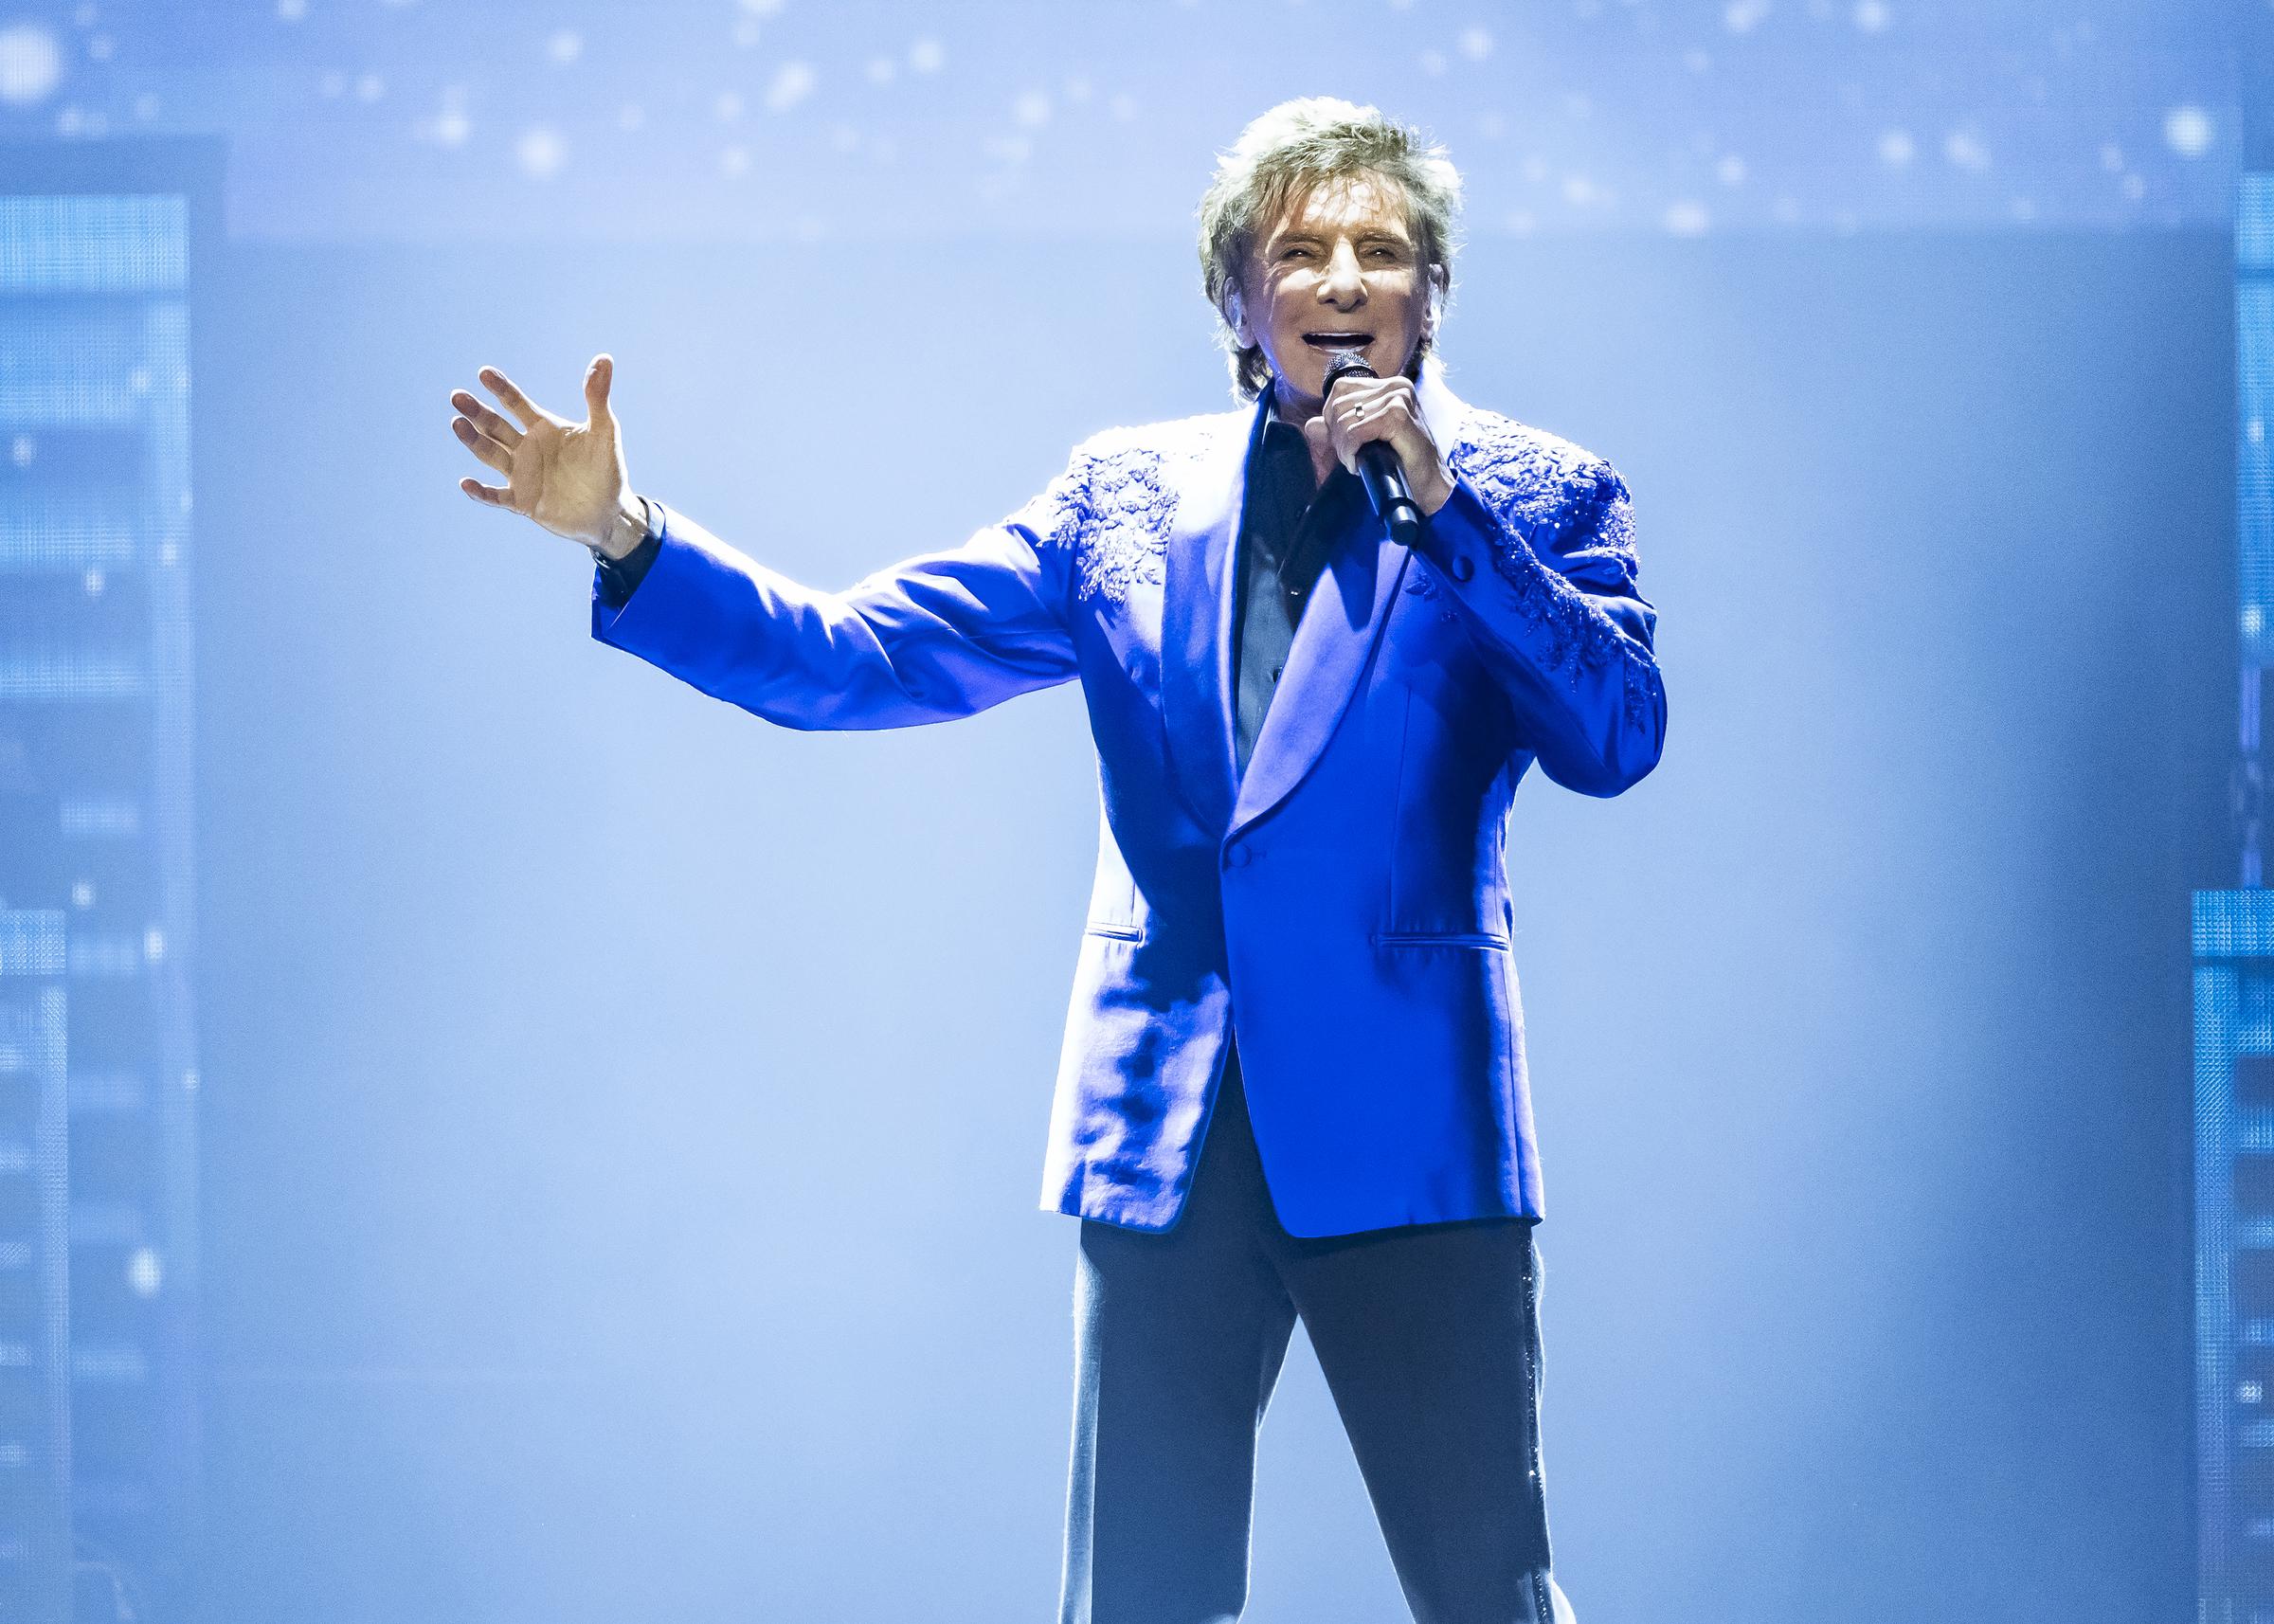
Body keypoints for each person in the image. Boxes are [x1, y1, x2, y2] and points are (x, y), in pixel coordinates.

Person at [448, 96, 1663, 1624]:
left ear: (1432, 295)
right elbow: (856, 656)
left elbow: (1618, 732)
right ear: (1238, 301)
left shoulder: (1534, 490)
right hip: (1167, 1132)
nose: (1345, 280)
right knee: (1136, 1603)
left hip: (1410, 1128)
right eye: (1300, 252)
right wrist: (626, 533)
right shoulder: (1125, 500)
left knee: (1489, 1595)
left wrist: (1446, 507)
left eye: (1384, 251)